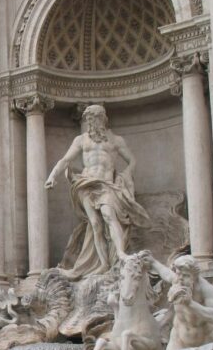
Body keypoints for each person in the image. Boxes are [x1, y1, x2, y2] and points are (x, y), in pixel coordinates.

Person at [45, 104, 150, 278]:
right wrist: (52, 176)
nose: (89, 123)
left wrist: (126, 175)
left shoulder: (116, 140)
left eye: (92, 119)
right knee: (95, 224)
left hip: (106, 184)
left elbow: (132, 160)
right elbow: (65, 160)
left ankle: (121, 254)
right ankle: (103, 264)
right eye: (87, 120)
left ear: (101, 118)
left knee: (108, 215)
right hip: (86, 183)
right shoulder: (81, 140)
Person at [140, 252, 213, 350]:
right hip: (179, 340)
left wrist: (190, 304)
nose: (181, 278)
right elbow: (164, 272)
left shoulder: (206, 289)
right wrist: (152, 261)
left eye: (186, 276)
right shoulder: (178, 280)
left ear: (195, 276)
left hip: (205, 341)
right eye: (178, 274)